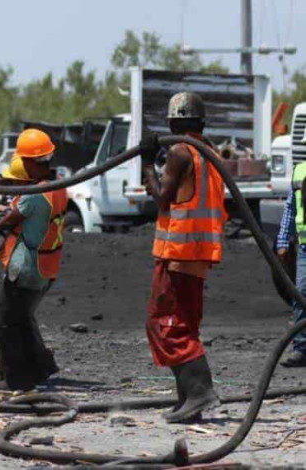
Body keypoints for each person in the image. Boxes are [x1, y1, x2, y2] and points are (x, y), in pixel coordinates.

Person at [139, 92, 224, 423]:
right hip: (197, 254)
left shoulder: (180, 152)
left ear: (175, 122)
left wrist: (147, 163)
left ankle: (200, 393)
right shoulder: (207, 153)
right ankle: (189, 399)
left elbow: (162, 198)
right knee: (182, 323)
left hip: (179, 254)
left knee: (166, 324)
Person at [0, 129, 67, 391]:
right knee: (22, 318)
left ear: (30, 162)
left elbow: (7, 221)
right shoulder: (56, 188)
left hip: (27, 266)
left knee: (3, 321)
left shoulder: (33, 194)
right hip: (47, 264)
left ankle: (17, 379)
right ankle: (40, 368)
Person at [276, 161, 306, 367]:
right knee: (301, 294)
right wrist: (283, 240)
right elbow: (290, 207)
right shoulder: (300, 170)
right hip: (305, 247)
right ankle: (301, 349)